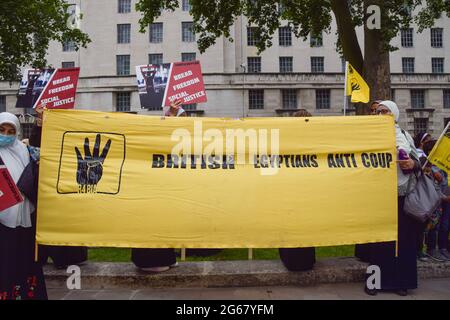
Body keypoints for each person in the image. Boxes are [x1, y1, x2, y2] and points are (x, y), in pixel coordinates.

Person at [365, 100, 422, 296]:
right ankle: (375, 282)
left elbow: (418, 162)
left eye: (385, 111)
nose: (381, 115)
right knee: (380, 241)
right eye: (378, 112)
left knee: (403, 241)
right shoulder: (369, 137)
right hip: (379, 196)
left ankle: (401, 282)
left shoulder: (405, 136)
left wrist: (411, 164)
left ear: (395, 114)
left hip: (402, 196)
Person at [28, 105, 88, 269]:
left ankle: (68, 256)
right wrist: (40, 122)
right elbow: (37, 145)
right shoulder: (47, 134)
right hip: (46, 186)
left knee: (64, 224)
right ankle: (41, 255)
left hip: (66, 189)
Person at [0, 112, 47, 300]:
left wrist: (43, 123)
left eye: (11, 131)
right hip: (2, 222)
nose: (6, 134)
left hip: (25, 218)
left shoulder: (26, 152)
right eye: (2, 129)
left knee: (24, 261)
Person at [278, 109, 316, 272]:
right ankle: (304, 261)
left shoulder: (287, 141)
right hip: (301, 191)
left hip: (294, 192)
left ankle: (293, 260)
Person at [355, 100, 383, 263]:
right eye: (373, 111)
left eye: (379, 111)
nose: (375, 114)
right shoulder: (363, 132)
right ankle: (364, 253)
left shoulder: (399, 134)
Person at [422, 140, 450, 261]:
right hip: (435, 201)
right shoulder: (428, 167)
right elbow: (432, 187)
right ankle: (431, 249)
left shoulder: (442, 164)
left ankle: (443, 248)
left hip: (446, 199)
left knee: (445, 224)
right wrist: (444, 197)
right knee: (433, 225)